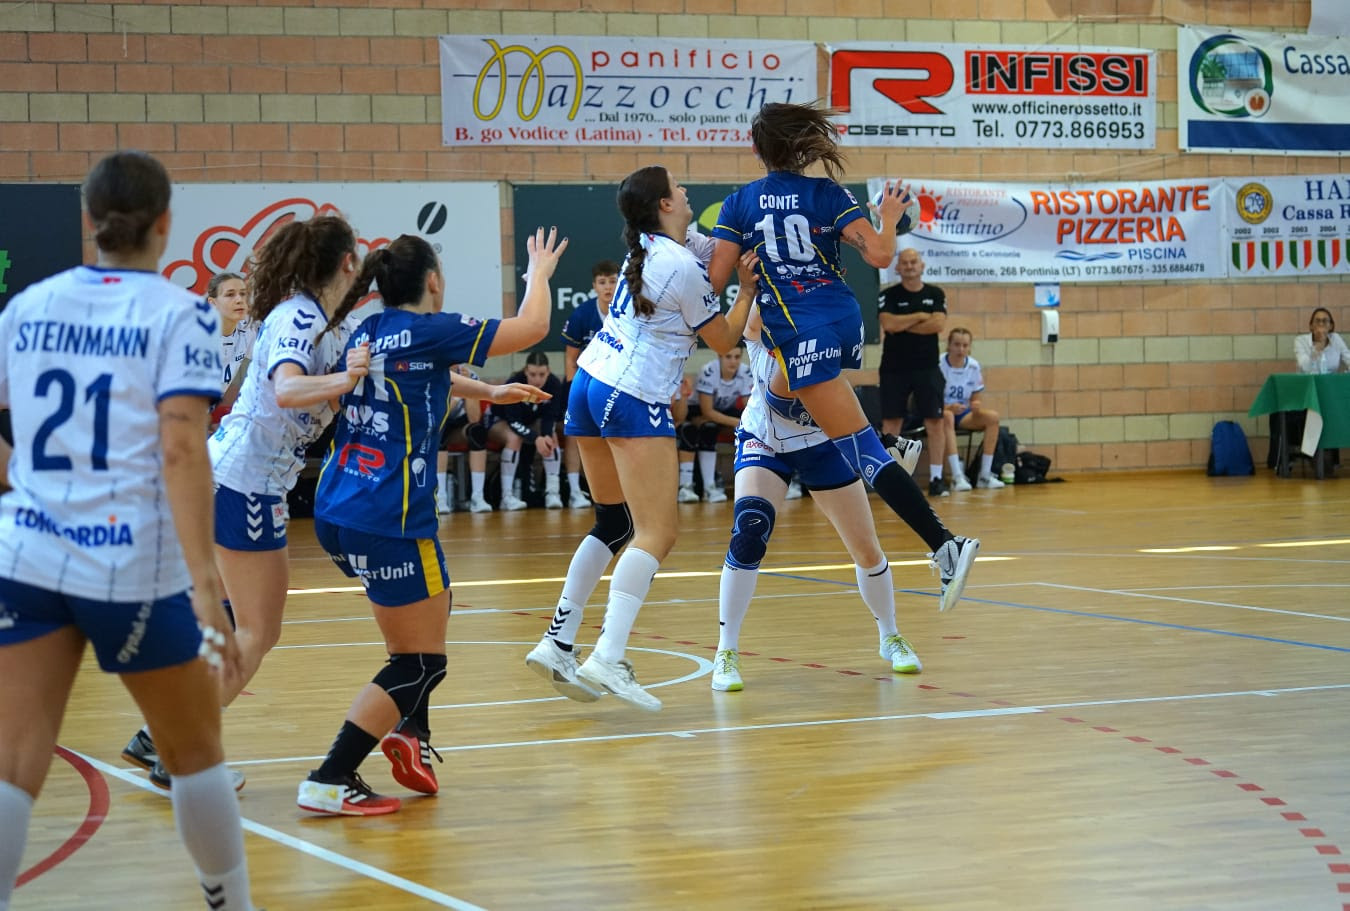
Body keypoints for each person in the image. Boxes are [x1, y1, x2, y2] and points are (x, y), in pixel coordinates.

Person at [0, 151, 258, 909]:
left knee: (12, 765)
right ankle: (232, 903)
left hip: (29, 552)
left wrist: (20, 479)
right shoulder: (181, 314)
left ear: (90, 220)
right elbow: (181, 446)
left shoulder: (29, 305)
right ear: (165, 222)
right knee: (196, 754)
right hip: (131, 564)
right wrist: (207, 585)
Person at [298, 229, 565, 816]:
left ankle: (410, 732)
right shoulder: (434, 329)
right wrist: (539, 276)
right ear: (433, 281)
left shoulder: (369, 330)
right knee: (418, 662)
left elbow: (422, 374)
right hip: (387, 515)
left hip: (338, 505)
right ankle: (330, 777)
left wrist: (489, 389)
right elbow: (533, 328)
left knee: (436, 603)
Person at [121, 213, 370, 789]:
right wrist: (343, 382)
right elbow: (287, 388)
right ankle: (181, 753)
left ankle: (158, 735)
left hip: (244, 476)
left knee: (236, 620)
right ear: (346, 263)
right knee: (259, 630)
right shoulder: (300, 317)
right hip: (245, 479)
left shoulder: (332, 322)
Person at [706, 102, 979, 614]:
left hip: (801, 328)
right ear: (801, 146)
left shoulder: (740, 204)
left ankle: (945, 541)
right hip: (843, 318)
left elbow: (714, 281)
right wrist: (889, 218)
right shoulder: (830, 193)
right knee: (817, 415)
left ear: (757, 150)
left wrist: (717, 258)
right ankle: (902, 467)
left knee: (840, 437)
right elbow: (880, 255)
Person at [524, 165, 759, 711]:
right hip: (631, 392)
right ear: (663, 204)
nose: (686, 190)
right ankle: (608, 654)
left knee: (613, 523)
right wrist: (747, 291)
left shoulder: (655, 246)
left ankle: (558, 640)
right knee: (658, 532)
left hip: (589, 382)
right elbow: (722, 336)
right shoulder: (680, 265)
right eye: (677, 187)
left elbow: (718, 250)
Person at [712, 307, 924, 691]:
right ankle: (726, 650)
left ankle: (890, 635)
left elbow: (842, 395)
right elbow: (748, 321)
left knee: (866, 548)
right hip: (765, 439)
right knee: (749, 531)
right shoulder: (763, 319)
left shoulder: (827, 327)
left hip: (822, 443)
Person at [879, 248, 951, 497]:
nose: (909, 266)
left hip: (927, 367)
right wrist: (920, 316)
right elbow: (889, 324)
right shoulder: (888, 295)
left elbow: (938, 324)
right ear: (897, 268)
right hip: (894, 368)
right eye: (905, 263)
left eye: (913, 262)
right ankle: (892, 481)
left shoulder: (935, 293)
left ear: (922, 266)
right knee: (892, 422)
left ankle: (937, 478)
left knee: (935, 421)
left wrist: (903, 325)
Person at [560, 260, 621, 508]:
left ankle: (620, 489)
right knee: (577, 435)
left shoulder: (628, 313)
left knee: (617, 435)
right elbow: (570, 359)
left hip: (619, 385)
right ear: (594, 286)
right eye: (602, 282)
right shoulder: (582, 315)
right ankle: (575, 489)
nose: (608, 287)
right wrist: (572, 392)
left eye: (613, 281)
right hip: (586, 386)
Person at [484, 349, 566, 510]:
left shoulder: (554, 384)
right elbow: (513, 421)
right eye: (533, 374)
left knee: (551, 437)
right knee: (514, 438)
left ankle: (552, 492)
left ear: (548, 371)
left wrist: (545, 435)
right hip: (498, 420)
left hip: (529, 421)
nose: (537, 379)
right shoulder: (515, 382)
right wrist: (536, 438)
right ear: (526, 371)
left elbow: (550, 416)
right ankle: (506, 496)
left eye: (542, 374)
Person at [677, 345, 753, 503]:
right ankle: (697, 486)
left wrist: (748, 422)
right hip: (697, 409)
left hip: (723, 410)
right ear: (719, 356)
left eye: (737, 357)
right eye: (728, 357)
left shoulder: (745, 372)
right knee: (705, 429)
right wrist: (737, 422)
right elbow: (707, 411)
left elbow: (748, 406)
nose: (733, 361)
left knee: (751, 426)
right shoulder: (709, 371)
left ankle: (713, 487)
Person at [939, 327, 1006, 490]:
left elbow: (975, 396)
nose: (961, 350)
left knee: (992, 417)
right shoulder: (938, 364)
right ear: (949, 345)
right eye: (957, 345)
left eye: (965, 345)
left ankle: (984, 475)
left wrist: (976, 405)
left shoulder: (974, 366)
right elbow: (928, 400)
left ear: (969, 347)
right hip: (941, 412)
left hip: (963, 413)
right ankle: (957, 477)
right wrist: (949, 407)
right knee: (947, 416)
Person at [436, 364, 488, 513]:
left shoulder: (470, 375)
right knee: (439, 434)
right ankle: (440, 497)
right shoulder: (435, 372)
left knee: (477, 432)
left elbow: (474, 418)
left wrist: (467, 387)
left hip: (459, 426)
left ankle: (478, 497)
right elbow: (439, 414)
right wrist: (455, 398)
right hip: (438, 422)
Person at [209, 271, 255, 422]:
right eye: (230, 295)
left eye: (243, 294)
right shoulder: (197, 336)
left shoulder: (250, 328)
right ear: (213, 303)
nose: (239, 300)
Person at [1296, 307, 1350, 375]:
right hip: (1309, 379)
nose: (1321, 324)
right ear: (1311, 326)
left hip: (1330, 380)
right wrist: (1317, 348)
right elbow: (1305, 367)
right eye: (1317, 321)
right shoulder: (1301, 340)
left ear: (1331, 326)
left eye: (1325, 321)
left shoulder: (1336, 338)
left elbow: (1348, 358)